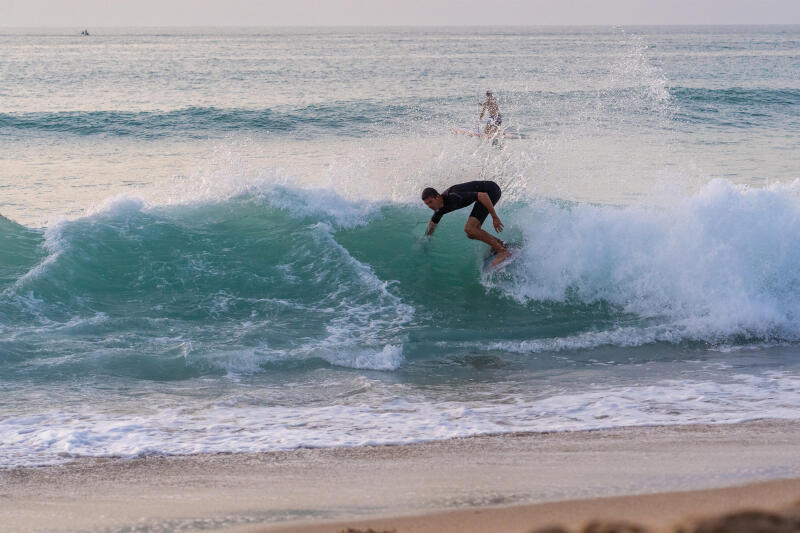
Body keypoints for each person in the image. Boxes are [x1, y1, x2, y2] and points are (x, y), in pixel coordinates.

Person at [422, 180, 510, 266]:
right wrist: (425, 240)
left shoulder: (453, 196)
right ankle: (499, 244)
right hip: (483, 195)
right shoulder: (439, 209)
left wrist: (494, 217)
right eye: (427, 204)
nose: (430, 206)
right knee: (471, 233)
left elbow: (483, 195)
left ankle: (502, 251)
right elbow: (432, 225)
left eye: (430, 202)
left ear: (437, 196)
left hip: (490, 190)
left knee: (469, 229)